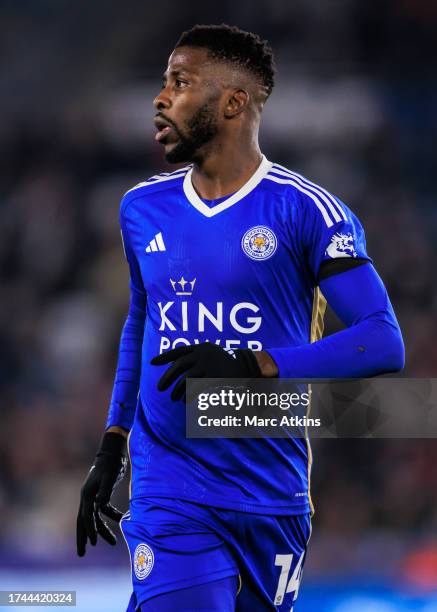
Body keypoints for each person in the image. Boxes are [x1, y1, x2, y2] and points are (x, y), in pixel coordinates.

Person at [76, 24, 404, 611]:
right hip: (170, 489)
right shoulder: (141, 208)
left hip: (270, 492)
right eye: (163, 81)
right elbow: (141, 321)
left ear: (233, 102)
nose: (161, 97)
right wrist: (112, 444)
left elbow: (383, 341)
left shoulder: (306, 211)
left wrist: (257, 362)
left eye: (180, 82)